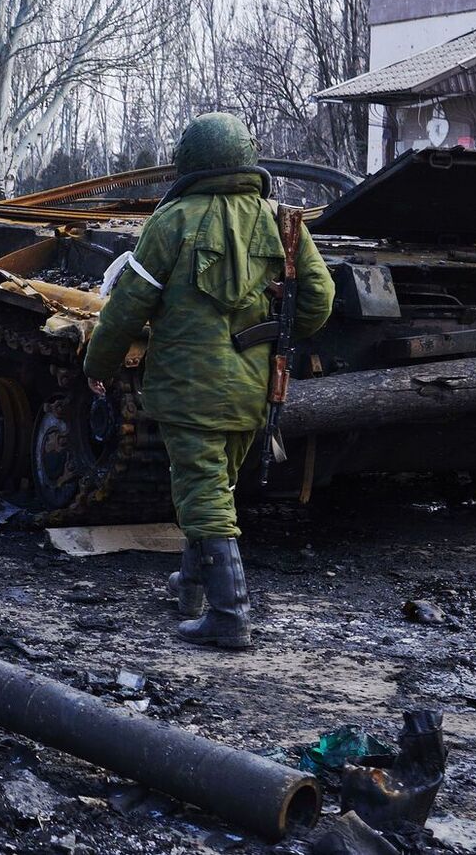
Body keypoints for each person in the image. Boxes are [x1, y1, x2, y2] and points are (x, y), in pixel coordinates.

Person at [80, 113, 333, 649]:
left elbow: (127, 308)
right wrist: (273, 335)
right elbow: (320, 299)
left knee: (202, 491)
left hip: (186, 385)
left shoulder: (171, 220)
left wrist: (97, 366)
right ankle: (192, 584)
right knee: (213, 486)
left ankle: (229, 613)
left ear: (190, 162)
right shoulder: (282, 220)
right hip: (252, 387)